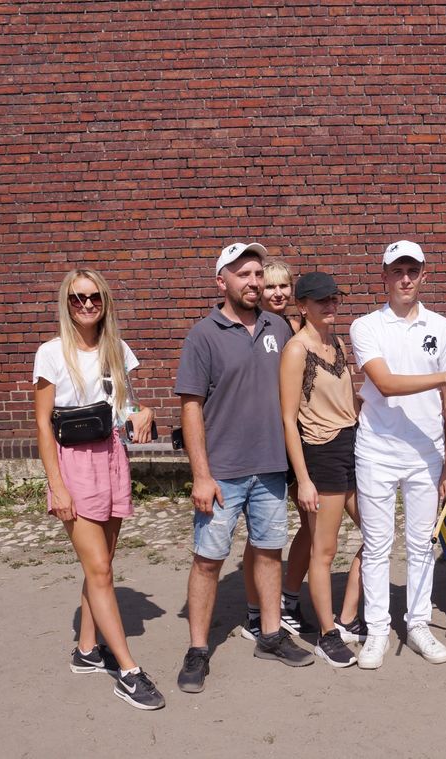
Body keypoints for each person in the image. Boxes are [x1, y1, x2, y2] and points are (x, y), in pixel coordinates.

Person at [174, 241, 314, 694]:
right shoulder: (204, 335)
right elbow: (191, 408)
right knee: (209, 561)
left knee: (270, 552)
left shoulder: (278, 325)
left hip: (271, 467)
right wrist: (200, 474)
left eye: (257, 273)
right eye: (242, 274)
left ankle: (270, 636)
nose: (253, 282)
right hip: (223, 473)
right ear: (222, 281)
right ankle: (197, 650)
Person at [33, 268, 165, 710]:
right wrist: (57, 485)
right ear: (66, 303)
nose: (86, 305)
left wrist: (141, 413)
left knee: (102, 564)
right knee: (101, 571)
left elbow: (124, 406)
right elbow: (42, 425)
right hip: (73, 463)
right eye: (77, 298)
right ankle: (128, 670)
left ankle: (88, 650)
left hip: (110, 456)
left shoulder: (117, 350)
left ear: (104, 301)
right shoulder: (51, 354)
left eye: (93, 297)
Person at [348, 240, 446, 669]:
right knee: (378, 544)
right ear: (384, 276)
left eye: (413, 271)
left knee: (423, 543)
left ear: (424, 275)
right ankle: (378, 630)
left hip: (427, 452)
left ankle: (418, 623)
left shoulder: (440, 327)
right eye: (397, 271)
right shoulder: (366, 326)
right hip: (378, 450)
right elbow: (384, 383)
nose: (405, 279)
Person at [280, 271, 366, 667]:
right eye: (321, 301)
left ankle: (347, 617)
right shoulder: (297, 350)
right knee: (324, 550)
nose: (331, 305)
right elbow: (287, 417)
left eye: (334, 298)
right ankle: (327, 634)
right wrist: (304, 480)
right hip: (321, 452)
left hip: (353, 444)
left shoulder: (337, 342)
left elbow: (348, 400)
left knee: (376, 534)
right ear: (303, 306)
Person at [242, 258, 315, 638]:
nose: (277, 293)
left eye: (284, 286)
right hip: (266, 439)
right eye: (270, 286)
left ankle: (288, 599)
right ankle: (255, 612)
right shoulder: (254, 328)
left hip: (301, 438)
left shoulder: (301, 328)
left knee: (310, 523)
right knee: (261, 533)